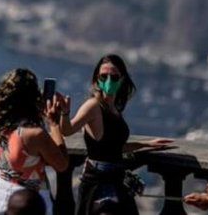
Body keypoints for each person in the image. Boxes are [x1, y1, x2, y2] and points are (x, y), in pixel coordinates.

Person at [57, 54, 172, 215]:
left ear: (122, 79)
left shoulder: (114, 109)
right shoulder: (93, 106)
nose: (109, 81)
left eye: (114, 77)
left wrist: (147, 144)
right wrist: (64, 113)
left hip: (116, 179)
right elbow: (67, 130)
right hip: (99, 182)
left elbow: (114, 148)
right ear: (97, 80)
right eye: (104, 76)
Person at [0, 68, 68, 215]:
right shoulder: (34, 134)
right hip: (28, 202)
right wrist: (53, 124)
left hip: (0, 195)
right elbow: (62, 165)